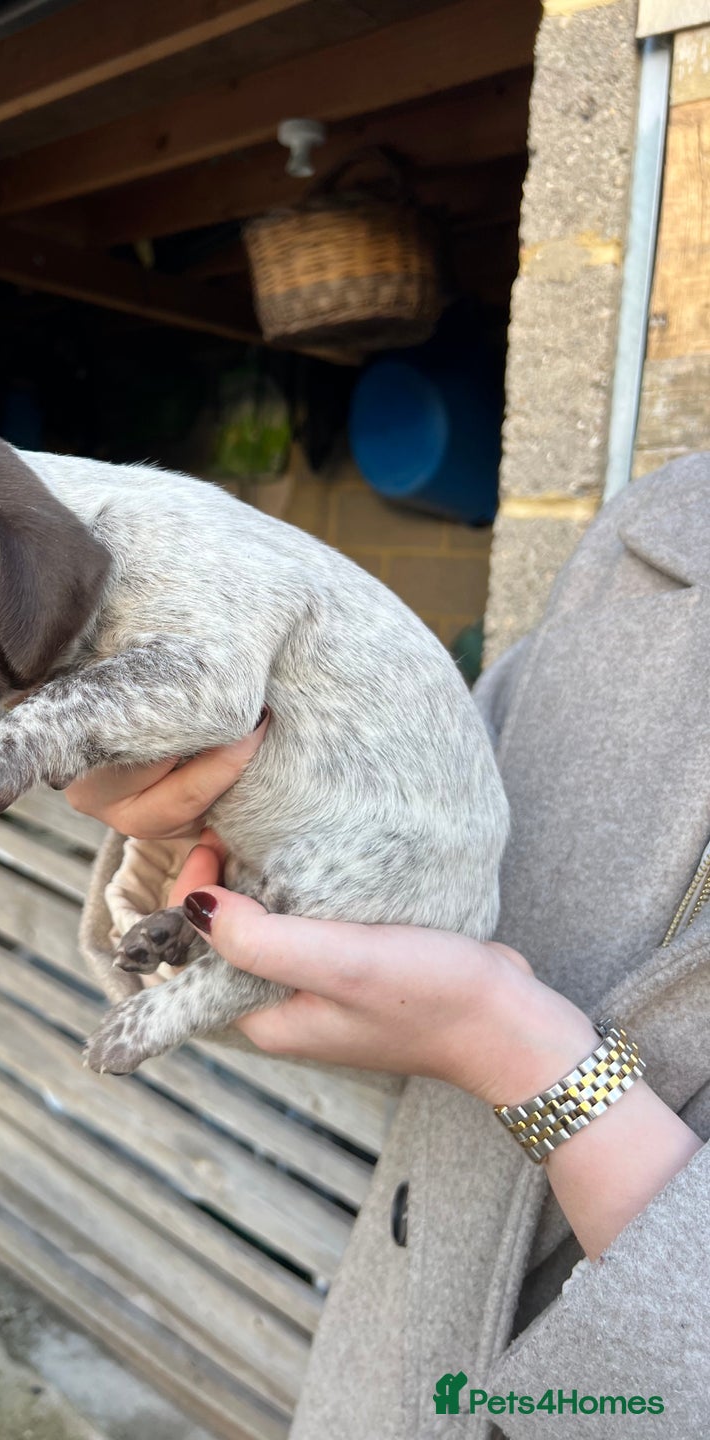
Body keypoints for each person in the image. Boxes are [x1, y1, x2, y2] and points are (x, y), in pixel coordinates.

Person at [68, 453, 710, 1438]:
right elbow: (408, 874)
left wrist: (521, 1056)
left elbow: (443, 995)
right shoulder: (662, 531)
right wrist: (201, 809)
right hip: (389, 1372)